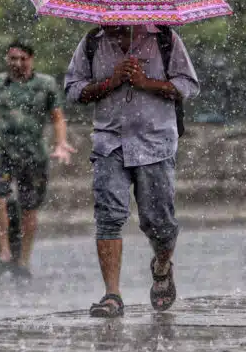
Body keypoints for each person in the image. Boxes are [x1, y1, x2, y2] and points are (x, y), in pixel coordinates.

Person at [64, 24, 199, 317]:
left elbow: (187, 85)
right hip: (109, 144)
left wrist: (145, 82)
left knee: (159, 223)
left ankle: (162, 267)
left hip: (155, 143)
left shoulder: (165, 38)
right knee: (108, 217)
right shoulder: (91, 41)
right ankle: (112, 295)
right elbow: (74, 90)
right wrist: (109, 83)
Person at [0, 40, 76, 279]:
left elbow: (57, 117)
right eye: (13, 59)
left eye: (23, 59)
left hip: (33, 154)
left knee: (29, 208)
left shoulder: (46, 84)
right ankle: (4, 252)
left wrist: (61, 142)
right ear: (7, 59)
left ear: (31, 60)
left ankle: (23, 259)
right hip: (2, 153)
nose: (18, 64)